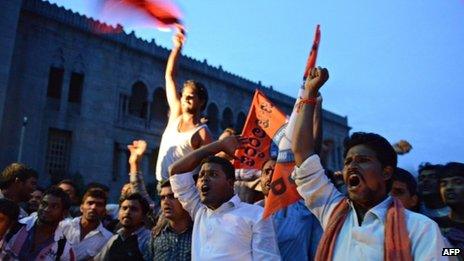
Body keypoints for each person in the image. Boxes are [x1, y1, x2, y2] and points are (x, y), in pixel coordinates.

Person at [291, 67, 446, 260]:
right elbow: (303, 154)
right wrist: (310, 94)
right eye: (348, 161)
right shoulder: (333, 213)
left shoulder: (420, 228)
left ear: (387, 172)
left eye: (363, 160)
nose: (352, 167)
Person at [169, 136, 280, 260]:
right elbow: (176, 171)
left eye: (213, 174)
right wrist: (219, 145)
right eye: (201, 175)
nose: (204, 179)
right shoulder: (199, 211)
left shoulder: (256, 215)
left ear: (230, 183)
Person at [155, 26, 212, 183]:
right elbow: (170, 76)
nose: (186, 99)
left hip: (183, 191)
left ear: (201, 102)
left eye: (191, 96)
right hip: (162, 186)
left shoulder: (203, 133)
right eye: (184, 95)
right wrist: (177, 48)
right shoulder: (175, 115)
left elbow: (209, 165)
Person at [258, 159, 322, 261]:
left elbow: (317, 252)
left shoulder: (305, 212)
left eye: (275, 172)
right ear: (260, 178)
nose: (270, 177)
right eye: (266, 172)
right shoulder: (249, 213)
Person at [1, 186, 75, 260]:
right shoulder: (15, 226)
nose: (46, 209)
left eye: (54, 206)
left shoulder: (63, 249)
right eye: (44, 204)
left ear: (64, 213)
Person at [60, 188, 113, 260]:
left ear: (104, 211)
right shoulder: (63, 225)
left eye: (99, 205)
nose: (93, 207)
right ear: (81, 208)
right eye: (90, 203)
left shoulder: (108, 239)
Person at [94, 193, 151, 260]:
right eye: (124, 208)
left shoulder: (148, 240)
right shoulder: (114, 239)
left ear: (143, 216)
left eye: (133, 209)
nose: (127, 212)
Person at [148, 180, 193, 261]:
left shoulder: (198, 234)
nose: (166, 202)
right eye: (162, 198)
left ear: (185, 199)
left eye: (172, 197)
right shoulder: (156, 234)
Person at [437, 162, 464, 254]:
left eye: (458, 182)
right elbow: (436, 252)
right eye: (443, 184)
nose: (449, 188)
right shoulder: (433, 226)